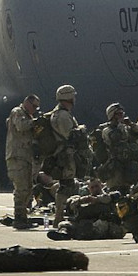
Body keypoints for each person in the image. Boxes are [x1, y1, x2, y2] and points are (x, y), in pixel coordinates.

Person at [5, 94, 40, 229]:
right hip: (16, 157)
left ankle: (23, 217)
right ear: (27, 102)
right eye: (34, 106)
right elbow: (21, 126)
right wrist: (36, 122)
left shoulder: (28, 116)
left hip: (25, 157)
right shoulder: (17, 112)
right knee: (21, 189)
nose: (35, 109)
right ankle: (19, 219)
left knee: (28, 189)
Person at [49, 85, 81, 226]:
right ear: (68, 97)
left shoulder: (61, 113)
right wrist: (81, 131)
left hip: (65, 154)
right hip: (65, 156)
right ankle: (59, 218)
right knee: (66, 186)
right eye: (72, 96)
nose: (74, 98)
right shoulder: (62, 116)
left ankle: (61, 216)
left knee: (68, 185)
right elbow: (69, 135)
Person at [97, 103, 138, 193]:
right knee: (116, 191)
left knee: (128, 190)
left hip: (128, 166)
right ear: (112, 115)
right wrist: (119, 126)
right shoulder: (106, 129)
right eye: (119, 114)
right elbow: (115, 138)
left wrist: (130, 124)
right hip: (115, 167)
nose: (122, 116)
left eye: (122, 113)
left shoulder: (125, 127)